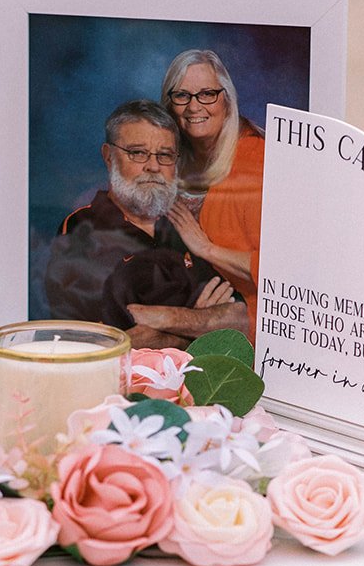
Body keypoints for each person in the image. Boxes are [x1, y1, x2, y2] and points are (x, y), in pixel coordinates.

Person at [44, 99, 248, 350]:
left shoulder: (184, 225)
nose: (153, 166)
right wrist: (197, 323)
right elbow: (100, 347)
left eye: (165, 155)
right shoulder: (81, 230)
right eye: (138, 153)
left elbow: (239, 321)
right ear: (109, 157)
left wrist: (167, 318)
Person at [160, 49, 265, 323]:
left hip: (244, 314)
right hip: (185, 298)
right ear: (169, 103)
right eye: (182, 95)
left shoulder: (257, 161)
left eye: (207, 93)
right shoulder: (166, 156)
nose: (194, 107)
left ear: (227, 100)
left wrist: (207, 249)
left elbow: (282, 272)